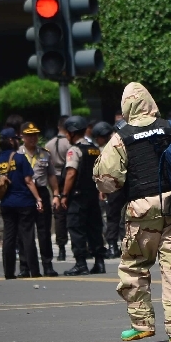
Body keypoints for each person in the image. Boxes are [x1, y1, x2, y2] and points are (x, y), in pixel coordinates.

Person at [94, 83, 171, 342]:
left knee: (134, 265)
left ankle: (142, 323)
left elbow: (107, 180)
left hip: (142, 208)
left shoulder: (122, 137)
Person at [0, 128, 44, 279]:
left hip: (7, 203)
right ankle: (34, 270)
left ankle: (8, 272)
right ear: (11, 141)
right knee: (27, 236)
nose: (18, 141)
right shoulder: (20, 158)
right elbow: (28, 181)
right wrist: (38, 199)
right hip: (24, 202)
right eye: (16, 139)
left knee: (9, 237)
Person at [60, 116, 106, 276]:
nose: (66, 136)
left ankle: (81, 264)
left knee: (76, 228)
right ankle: (99, 262)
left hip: (78, 197)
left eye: (67, 133)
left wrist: (64, 194)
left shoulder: (75, 150)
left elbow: (71, 173)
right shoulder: (94, 149)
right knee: (94, 229)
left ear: (72, 132)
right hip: (93, 195)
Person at [16, 122, 59, 277]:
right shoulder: (17, 154)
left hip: (41, 191)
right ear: (22, 136)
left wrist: (56, 194)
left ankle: (47, 265)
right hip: (24, 193)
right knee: (24, 233)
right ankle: (25, 266)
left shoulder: (45, 153)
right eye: (29, 135)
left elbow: (51, 175)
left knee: (44, 232)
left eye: (35, 134)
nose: (33, 138)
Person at [92, 121, 123, 259]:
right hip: (123, 184)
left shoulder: (108, 147)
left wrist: (102, 188)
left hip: (113, 186)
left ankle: (112, 246)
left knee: (112, 216)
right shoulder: (121, 143)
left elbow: (104, 169)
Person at [45, 116, 71, 261]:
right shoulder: (70, 144)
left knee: (59, 215)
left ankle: (61, 249)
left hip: (54, 179)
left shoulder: (49, 144)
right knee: (72, 213)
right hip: (68, 177)